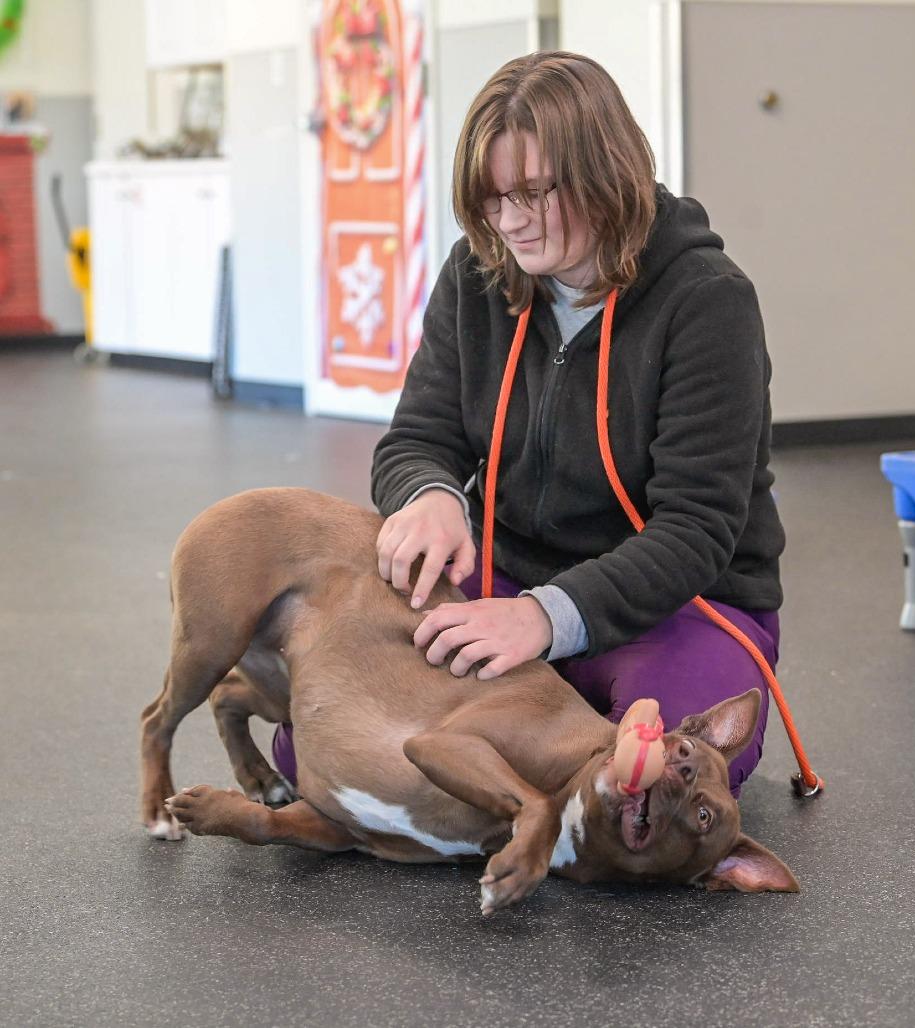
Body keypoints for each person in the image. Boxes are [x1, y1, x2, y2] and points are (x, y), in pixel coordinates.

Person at [273, 51, 785, 797]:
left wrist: (545, 619)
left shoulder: (708, 301)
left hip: (679, 605)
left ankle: (527, 762)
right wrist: (432, 497)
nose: (510, 222)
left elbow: (696, 532)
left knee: (663, 781)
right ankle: (539, 757)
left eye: (536, 193)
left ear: (607, 172)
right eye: (491, 199)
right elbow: (417, 441)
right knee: (323, 744)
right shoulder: (475, 273)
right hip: (504, 579)